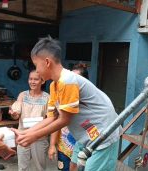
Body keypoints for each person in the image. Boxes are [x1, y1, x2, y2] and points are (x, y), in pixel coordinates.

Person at [12, 37, 120, 171]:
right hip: (87, 135)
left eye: (36, 66)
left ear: (47, 62)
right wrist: (26, 133)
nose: (37, 71)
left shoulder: (67, 81)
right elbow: (52, 118)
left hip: (103, 135)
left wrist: (33, 136)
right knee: (73, 167)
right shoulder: (54, 85)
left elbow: (64, 119)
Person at [48, 64, 89, 171]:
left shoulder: (88, 104)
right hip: (64, 149)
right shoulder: (63, 96)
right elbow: (55, 121)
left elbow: (91, 129)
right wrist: (52, 145)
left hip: (83, 151)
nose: (72, 83)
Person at [9, 70, 49, 171]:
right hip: (22, 136)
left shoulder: (47, 98)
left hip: (39, 138)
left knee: (39, 168)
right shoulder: (23, 95)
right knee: (22, 167)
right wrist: (14, 114)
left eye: (36, 79)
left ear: (42, 81)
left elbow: (51, 119)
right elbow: (16, 114)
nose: (32, 82)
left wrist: (52, 144)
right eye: (30, 79)